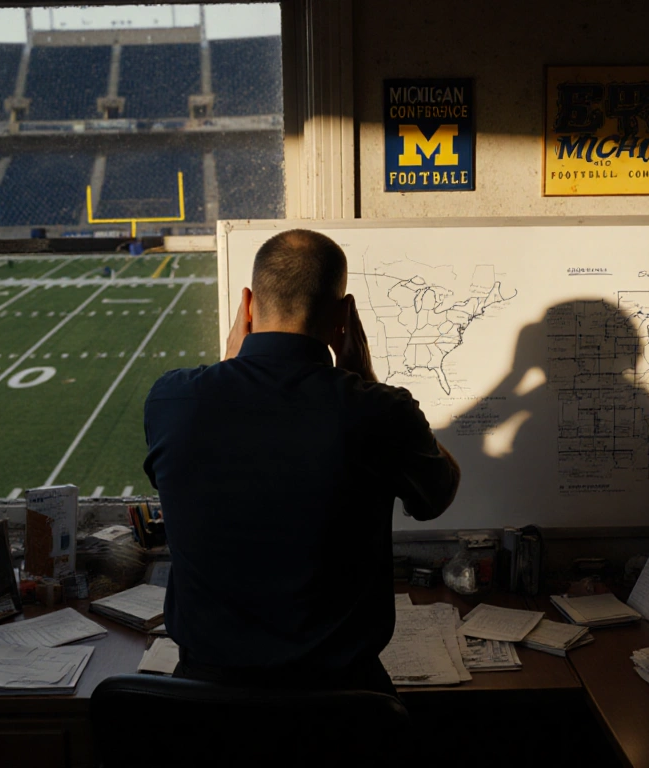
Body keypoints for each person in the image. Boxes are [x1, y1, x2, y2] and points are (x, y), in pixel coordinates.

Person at [142, 229, 461, 695]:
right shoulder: (380, 411)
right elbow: (438, 494)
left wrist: (227, 365)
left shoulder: (172, 399)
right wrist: (365, 375)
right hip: (346, 710)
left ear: (248, 305)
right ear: (344, 318)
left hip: (207, 711)